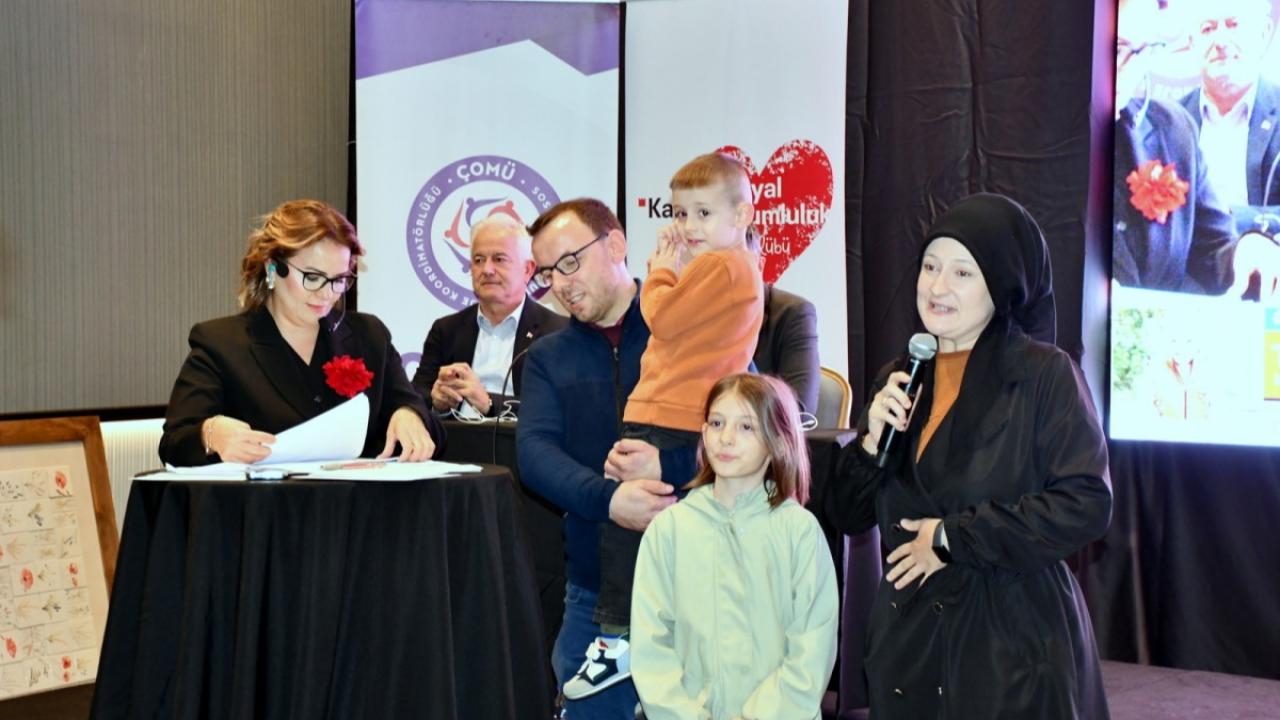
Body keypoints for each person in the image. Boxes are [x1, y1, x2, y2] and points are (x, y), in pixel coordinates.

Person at [825, 194, 1112, 718]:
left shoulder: (1044, 376)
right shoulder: (903, 375)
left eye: (962, 273)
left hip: (1009, 648)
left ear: (1001, 285)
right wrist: (869, 445)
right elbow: (847, 514)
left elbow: (1085, 502)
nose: (937, 287)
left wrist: (951, 537)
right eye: (930, 267)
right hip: (910, 646)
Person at [564, 153, 764, 701]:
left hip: (675, 419)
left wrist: (659, 270)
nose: (688, 226)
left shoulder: (722, 267)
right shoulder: (722, 266)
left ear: (742, 215)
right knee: (641, 531)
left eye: (703, 213)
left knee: (629, 526)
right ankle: (638, 641)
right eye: (680, 213)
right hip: (666, 415)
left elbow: (661, 317)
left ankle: (620, 638)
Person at [517, 198, 697, 718]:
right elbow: (535, 453)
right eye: (547, 273)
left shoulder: (689, 331)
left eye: (569, 262)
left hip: (698, 587)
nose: (561, 283)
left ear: (616, 244)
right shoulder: (547, 357)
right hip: (593, 595)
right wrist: (611, 500)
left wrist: (668, 469)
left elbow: (755, 431)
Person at [159, 199, 444, 466]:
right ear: (273, 268)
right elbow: (174, 443)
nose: (326, 294)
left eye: (339, 280)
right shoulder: (221, 344)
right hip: (268, 502)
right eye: (313, 277)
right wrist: (211, 433)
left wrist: (410, 414)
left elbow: (424, 418)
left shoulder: (369, 336)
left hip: (358, 501)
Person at [630, 373, 838, 720]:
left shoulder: (799, 532)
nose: (726, 438)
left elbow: (811, 651)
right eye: (717, 423)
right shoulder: (669, 530)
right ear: (703, 432)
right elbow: (651, 648)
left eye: (746, 427)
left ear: (776, 440)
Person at [1113, 0, 1240, 293]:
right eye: (1118, 50)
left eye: (1145, 51)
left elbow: (1213, 250)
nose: (1130, 68)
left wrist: (1248, 251)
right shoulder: (1030, 138)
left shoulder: (1173, 129)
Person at [410, 214, 566, 418]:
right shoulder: (446, 330)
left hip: (519, 438)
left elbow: (558, 407)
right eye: (478, 260)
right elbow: (416, 397)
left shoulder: (557, 333)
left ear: (527, 270)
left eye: (499, 259)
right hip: (457, 437)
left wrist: (489, 402)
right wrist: (437, 402)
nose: (487, 270)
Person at [1179, 0, 1280, 209]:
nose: (1221, 42)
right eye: (1208, 29)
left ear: (1263, 33)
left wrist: (1235, 222)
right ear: (1191, 43)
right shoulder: (1170, 123)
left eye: (1234, 25)